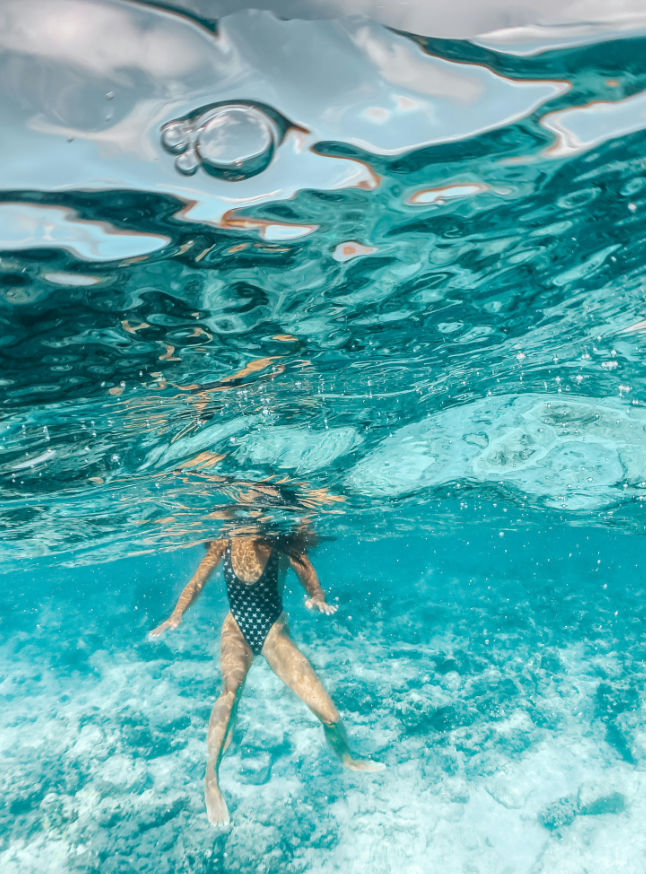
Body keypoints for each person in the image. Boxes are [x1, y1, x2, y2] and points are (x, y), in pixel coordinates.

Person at [150, 531, 383, 827]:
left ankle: (346, 758)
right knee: (229, 694)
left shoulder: (280, 542)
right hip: (236, 630)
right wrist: (176, 614)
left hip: (273, 634)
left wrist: (317, 597)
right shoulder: (225, 541)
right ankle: (211, 778)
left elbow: (308, 576)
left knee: (330, 716)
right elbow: (196, 582)